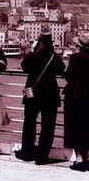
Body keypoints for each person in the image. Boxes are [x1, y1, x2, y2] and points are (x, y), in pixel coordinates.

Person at [16, 31, 65, 165]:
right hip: (50, 95)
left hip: (33, 94)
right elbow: (62, 69)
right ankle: (42, 156)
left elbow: (24, 67)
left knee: (29, 123)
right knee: (48, 126)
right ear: (51, 43)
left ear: (39, 42)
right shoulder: (54, 57)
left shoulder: (32, 56)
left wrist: (32, 51)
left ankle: (27, 152)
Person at [63, 32, 89, 171]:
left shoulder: (75, 58)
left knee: (73, 126)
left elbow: (68, 76)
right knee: (86, 127)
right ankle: (86, 157)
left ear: (78, 46)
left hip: (74, 96)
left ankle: (79, 159)